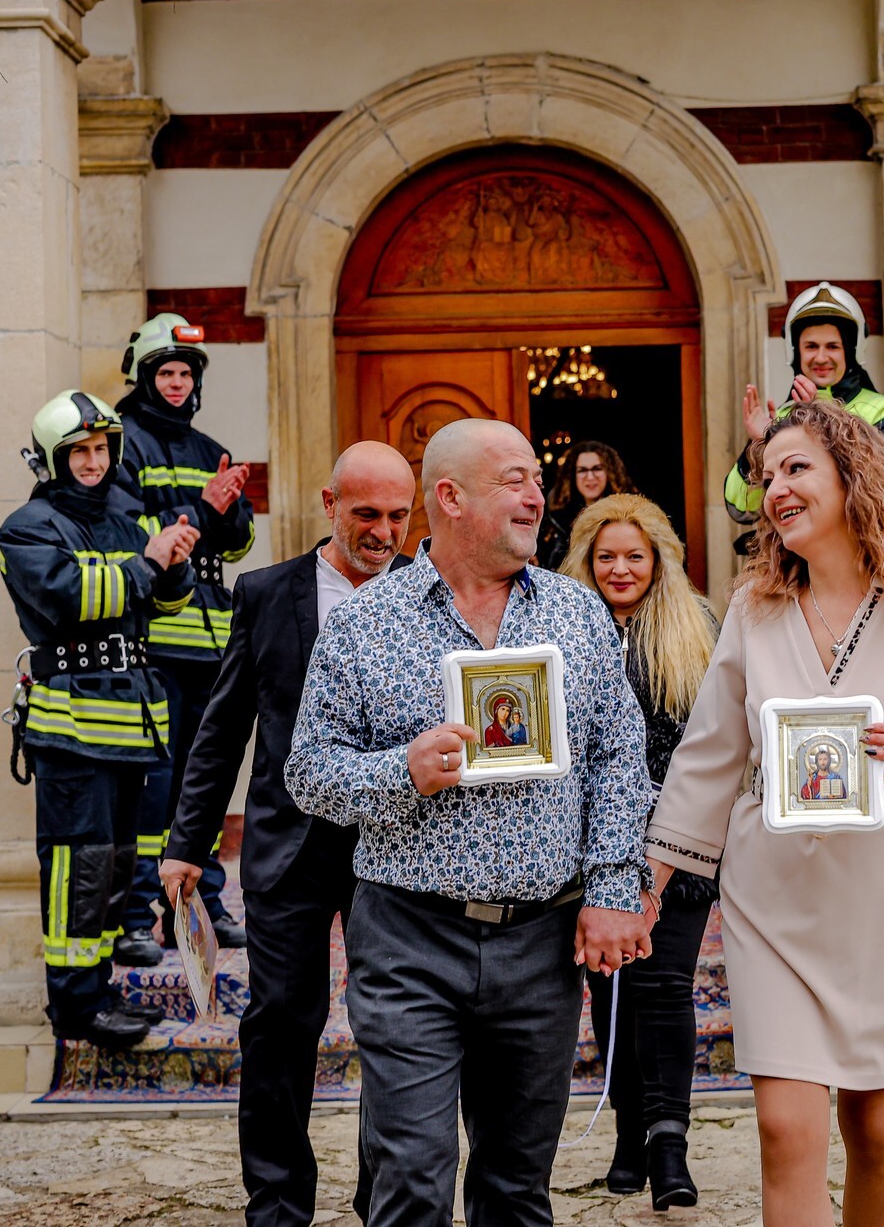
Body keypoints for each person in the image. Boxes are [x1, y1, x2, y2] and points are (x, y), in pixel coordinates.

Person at [284, 418, 654, 1227]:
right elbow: (307, 770)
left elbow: (620, 755)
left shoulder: (577, 613)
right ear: (449, 497)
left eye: (536, 481)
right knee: (413, 1177)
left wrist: (613, 886)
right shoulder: (365, 621)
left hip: (541, 941)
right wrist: (402, 770)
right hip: (409, 939)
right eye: (515, 480)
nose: (537, 497)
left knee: (517, 1187)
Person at [645, 398, 884, 1227]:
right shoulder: (753, 610)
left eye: (796, 467)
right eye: (768, 474)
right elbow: (708, 754)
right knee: (785, 1127)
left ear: (853, 477)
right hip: (772, 897)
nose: (775, 488)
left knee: (876, 1131)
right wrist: (649, 882)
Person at [161, 441, 415, 1227]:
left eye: (399, 516)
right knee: (279, 1025)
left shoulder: (431, 591)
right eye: (366, 513)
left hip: (398, 849)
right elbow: (223, 728)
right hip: (289, 846)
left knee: (398, 1029)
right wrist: (186, 844)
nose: (383, 532)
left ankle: (386, 1197)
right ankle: (275, 1202)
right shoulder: (267, 593)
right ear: (329, 503)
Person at [0, 391, 199, 1051]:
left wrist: (176, 565)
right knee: (77, 869)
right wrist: (150, 562)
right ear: (51, 458)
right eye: (79, 450)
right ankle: (75, 1004)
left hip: (129, 725)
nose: (93, 461)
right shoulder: (28, 527)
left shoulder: (127, 516)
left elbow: (162, 605)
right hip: (72, 726)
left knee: (112, 866)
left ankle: (99, 987)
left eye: (101, 448)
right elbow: (69, 597)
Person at [558, 491, 721, 1211]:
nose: (620, 569)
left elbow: (711, 749)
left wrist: (664, 859)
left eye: (634, 556)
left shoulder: (698, 626)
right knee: (609, 989)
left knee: (664, 986)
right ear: (586, 561)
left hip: (678, 844)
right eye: (606, 557)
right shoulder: (563, 626)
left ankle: (668, 1144)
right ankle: (628, 1133)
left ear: (659, 560)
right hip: (592, 847)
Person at [113, 314, 257, 964]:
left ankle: (204, 904)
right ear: (145, 378)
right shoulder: (123, 445)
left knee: (207, 780)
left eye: (185, 373)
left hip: (211, 642)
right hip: (153, 641)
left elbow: (240, 540)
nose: (177, 382)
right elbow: (129, 533)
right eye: (167, 372)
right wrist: (204, 508)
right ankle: (140, 913)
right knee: (155, 785)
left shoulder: (209, 447)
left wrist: (226, 511)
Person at [722, 282, 884, 537]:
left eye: (832, 346)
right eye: (811, 346)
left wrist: (823, 418)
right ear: (796, 351)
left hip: (862, 552)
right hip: (796, 557)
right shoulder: (781, 419)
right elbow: (740, 508)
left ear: (851, 351)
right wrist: (758, 446)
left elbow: (882, 490)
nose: (821, 358)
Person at [537, 440, 634, 569]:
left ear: (610, 472)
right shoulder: (556, 520)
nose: (590, 477)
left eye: (597, 469)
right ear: (573, 475)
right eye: (582, 470)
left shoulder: (630, 515)